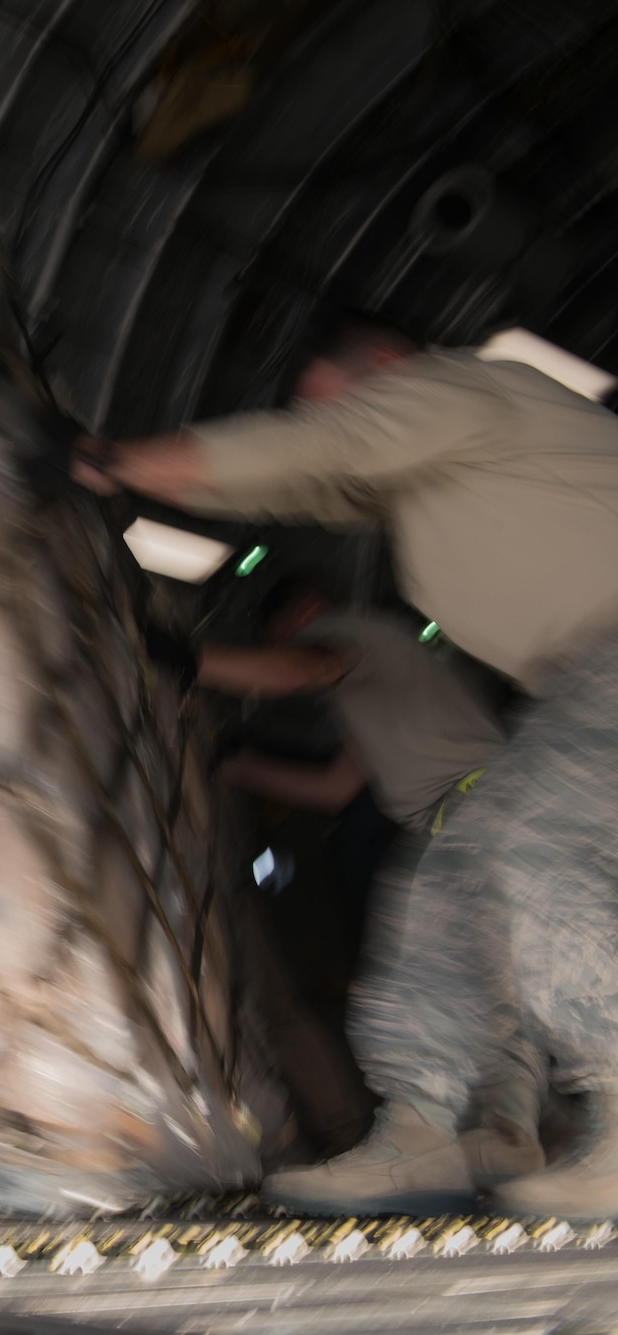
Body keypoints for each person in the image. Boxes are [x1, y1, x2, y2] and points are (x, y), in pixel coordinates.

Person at [78, 311, 618, 1216]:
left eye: (352, 403)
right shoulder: (430, 491)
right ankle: (432, 1125)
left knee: (534, 840)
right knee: (443, 887)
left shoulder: (461, 387)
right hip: (584, 686)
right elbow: (320, 477)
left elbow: (326, 453)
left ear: (390, 366)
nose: (352, 426)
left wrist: (115, 460)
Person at [162, 573, 542, 1197]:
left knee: (412, 980)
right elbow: (336, 787)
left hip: (472, 819)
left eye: (279, 634)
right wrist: (239, 765)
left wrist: (190, 659)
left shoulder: (351, 634)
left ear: (307, 608)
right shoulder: (393, 681)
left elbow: (304, 668)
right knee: (494, 995)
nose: (287, 646)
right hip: (500, 820)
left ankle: (412, 1148)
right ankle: (508, 1138)